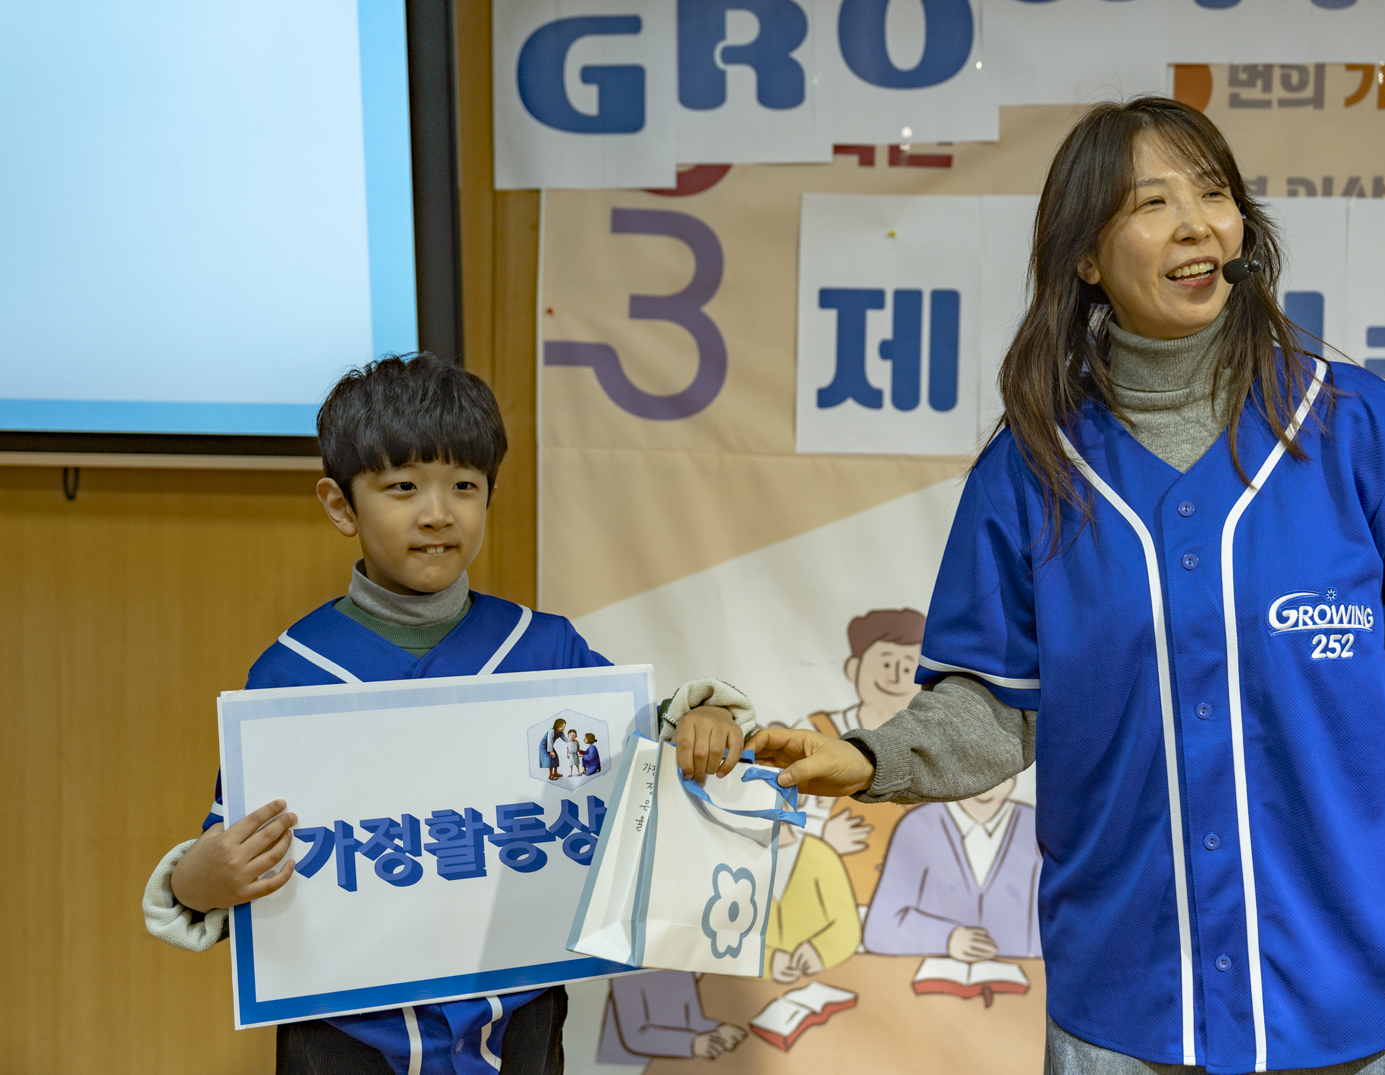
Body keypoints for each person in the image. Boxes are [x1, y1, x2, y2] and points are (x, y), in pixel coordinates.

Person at [748, 98, 1385, 1075]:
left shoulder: (1362, 430)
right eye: (1150, 203)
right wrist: (867, 758)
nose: (1195, 225)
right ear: (1086, 257)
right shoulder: (1031, 470)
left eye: (1213, 195)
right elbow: (994, 707)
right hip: (1128, 1006)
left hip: (1354, 994)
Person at [140, 354, 754, 1075]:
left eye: (464, 485)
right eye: (402, 486)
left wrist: (702, 721)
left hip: (518, 1017)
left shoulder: (544, 648)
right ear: (341, 505)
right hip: (346, 1033)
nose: (438, 513)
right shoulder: (293, 672)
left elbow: (644, 749)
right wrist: (194, 882)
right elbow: (235, 853)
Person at [796, 608, 926, 904]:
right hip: (828, 900)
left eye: (908, 667)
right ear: (853, 668)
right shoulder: (814, 731)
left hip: (909, 904)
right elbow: (774, 811)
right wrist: (820, 833)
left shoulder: (933, 747)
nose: (896, 676)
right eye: (886, 663)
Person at [862, 777, 1041, 962]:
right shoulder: (917, 825)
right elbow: (881, 926)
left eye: (1001, 771)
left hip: (1018, 973)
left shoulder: (1035, 825)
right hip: (932, 973)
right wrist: (947, 938)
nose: (988, 781)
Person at [766, 821, 861, 983]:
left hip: (824, 979)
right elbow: (722, 936)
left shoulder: (820, 853)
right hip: (756, 988)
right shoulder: (736, 861)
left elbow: (847, 924)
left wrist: (819, 951)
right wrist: (767, 960)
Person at [597, 971, 746, 1061]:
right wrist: (692, 1044)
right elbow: (636, 1037)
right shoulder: (626, 972)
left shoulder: (679, 967)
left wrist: (719, 1030)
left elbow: (692, 1021)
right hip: (630, 1064)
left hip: (672, 1058)